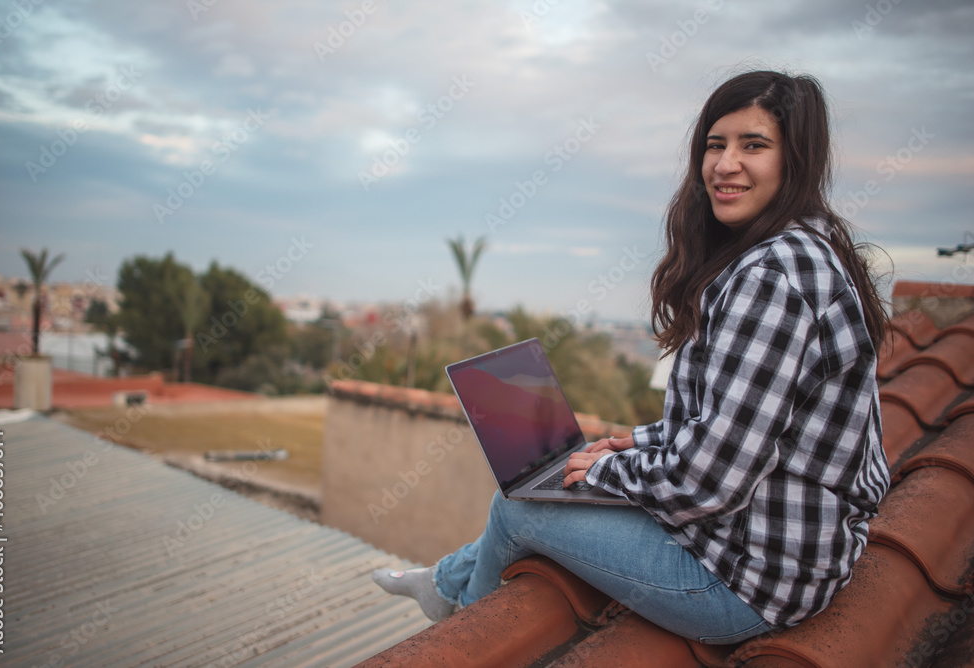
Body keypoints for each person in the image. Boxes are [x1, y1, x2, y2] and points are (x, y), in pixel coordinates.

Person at [373, 70, 891, 644]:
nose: (724, 165)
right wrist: (633, 445)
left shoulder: (770, 278)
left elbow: (709, 483)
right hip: (790, 548)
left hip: (748, 584)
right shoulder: (810, 245)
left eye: (754, 145)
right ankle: (446, 584)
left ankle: (458, 636)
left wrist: (606, 472)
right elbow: (740, 426)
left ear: (797, 159)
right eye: (714, 145)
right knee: (548, 485)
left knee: (518, 506)